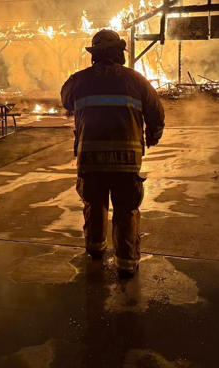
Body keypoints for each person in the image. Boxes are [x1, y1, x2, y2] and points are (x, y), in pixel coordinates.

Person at [61, 29, 165, 278]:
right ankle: (126, 263)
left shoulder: (78, 81)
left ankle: (95, 250)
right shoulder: (137, 80)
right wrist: (153, 135)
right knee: (125, 210)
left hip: (91, 159)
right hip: (126, 161)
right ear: (119, 53)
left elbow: (66, 101)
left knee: (94, 205)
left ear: (94, 55)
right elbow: (156, 113)